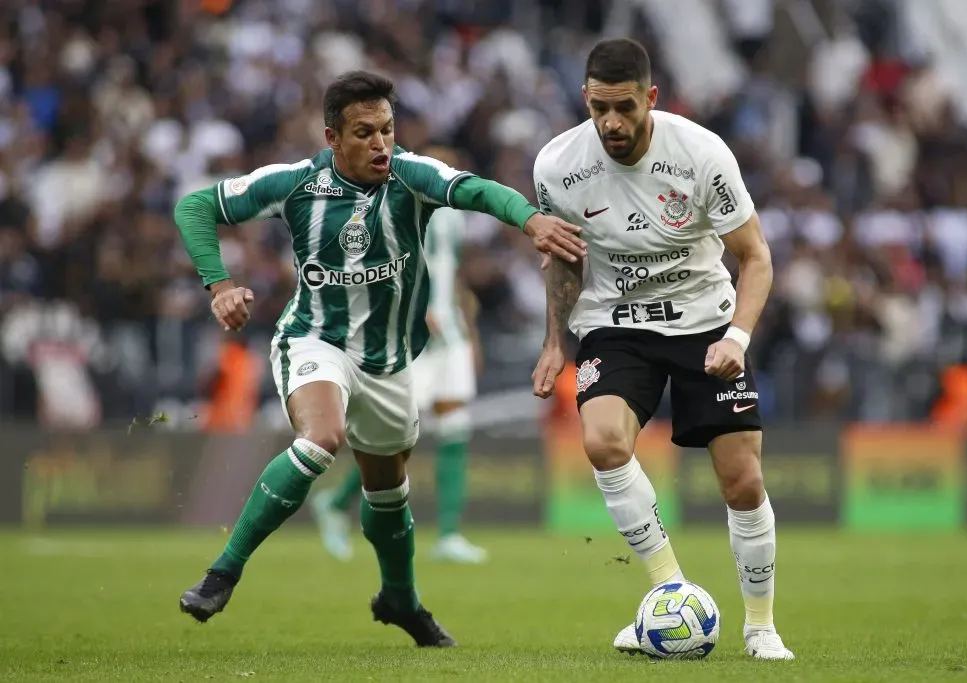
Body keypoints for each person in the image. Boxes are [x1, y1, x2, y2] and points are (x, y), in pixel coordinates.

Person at [174, 70, 586, 647]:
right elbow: (195, 206)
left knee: (388, 491)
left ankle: (400, 600)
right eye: (364, 133)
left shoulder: (411, 177)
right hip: (315, 340)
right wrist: (218, 284)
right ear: (332, 138)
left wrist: (531, 220)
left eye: (387, 130)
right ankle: (223, 571)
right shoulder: (294, 184)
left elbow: (479, 190)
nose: (381, 144)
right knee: (322, 437)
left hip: (389, 362)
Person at [531, 39, 793, 660]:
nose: (610, 123)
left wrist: (738, 336)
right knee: (601, 441)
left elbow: (755, 257)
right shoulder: (557, 165)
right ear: (585, 99)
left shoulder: (702, 154)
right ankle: (667, 591)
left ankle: (761, 627)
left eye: (624, 108)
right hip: (615, 322)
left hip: (706, 322)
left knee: (742, 481)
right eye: (599, 108)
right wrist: (553, 340)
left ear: (651, 98)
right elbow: (563, 262)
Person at [312, 146, 488, 564]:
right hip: (414, 332)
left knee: (455, 425)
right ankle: (335, 504)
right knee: (396, 432)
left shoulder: (455, 214)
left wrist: (471, 331)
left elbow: (454, 276)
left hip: (452, 333)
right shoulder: (403, 203)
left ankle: (448, 534)